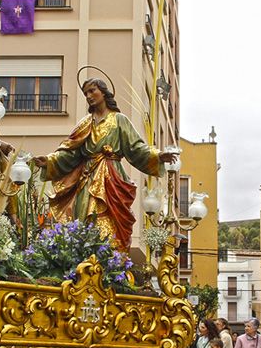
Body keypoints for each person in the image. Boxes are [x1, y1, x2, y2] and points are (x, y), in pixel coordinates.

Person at [31, 78, 177, 249]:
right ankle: (82, 259)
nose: (89, 96)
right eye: (86, 93)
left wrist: (158, 155)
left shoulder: (119, 120)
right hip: (87, 179)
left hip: (111, 178)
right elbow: (70, 152)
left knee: (111, 222)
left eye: (92, 91)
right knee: (85, 219)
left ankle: (111, 262)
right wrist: (49, 161)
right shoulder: (86, 123)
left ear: (104, 92)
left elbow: (136, 147)